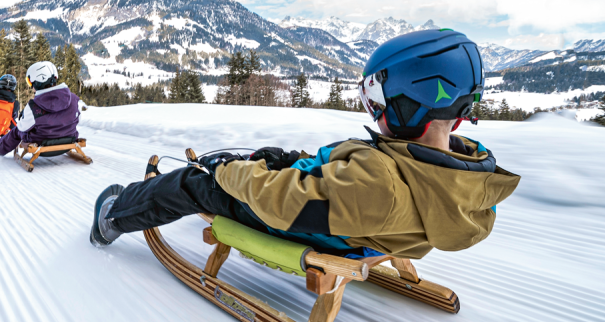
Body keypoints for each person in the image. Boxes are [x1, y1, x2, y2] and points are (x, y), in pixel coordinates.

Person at [90, 29, 520, 260]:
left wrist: (224, 171)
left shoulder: (380, 187)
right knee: (262, 161)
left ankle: (114, 216)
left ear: (410, 105)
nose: (372, 111)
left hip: (313, 229)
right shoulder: (460, 175)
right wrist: (290, 160)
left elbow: (282, 203)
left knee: (192, 182)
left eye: (376, 100)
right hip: (356, 228)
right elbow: (350, 182)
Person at [0, 61, 80, 158]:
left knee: (17, 131)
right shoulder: (74, 99)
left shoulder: (34, 107)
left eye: (30, 82)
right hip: (69, 141)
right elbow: (77, 119)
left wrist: (25, 117)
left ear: (39, 81)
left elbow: (22, 127)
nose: (31, 86)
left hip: (42, 146)